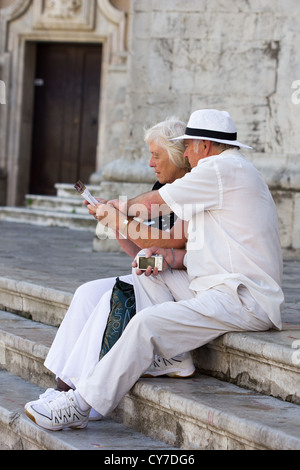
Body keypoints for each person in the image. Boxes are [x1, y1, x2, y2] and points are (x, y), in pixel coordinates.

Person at [25, 109, 284, 431]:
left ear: (204, 145)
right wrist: (153, 251)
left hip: (243, 297)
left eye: (187, 146)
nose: (187, 155)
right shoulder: (222, 176)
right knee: (142, 274)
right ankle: (172, 358)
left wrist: (116, 213)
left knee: (145, 322)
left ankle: (81, 405)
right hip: (213, 285)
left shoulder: (222, 168)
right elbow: (187, 249)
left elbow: (155, 207)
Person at [24, 117, 195, 420]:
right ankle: (61, 387)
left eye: (156, 155)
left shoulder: (193, 188)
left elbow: (171, 244)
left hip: (189, 285)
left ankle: (74, 396)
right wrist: (114, 224)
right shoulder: (164, 188)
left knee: (110, 298)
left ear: (177, 154)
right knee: (87, 292)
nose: (150, 162)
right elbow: (144, 254)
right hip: (164, 279)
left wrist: (119, 218)